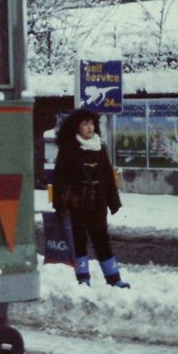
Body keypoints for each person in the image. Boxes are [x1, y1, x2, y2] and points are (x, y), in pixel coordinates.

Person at [51, 109, 130, 288]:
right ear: (76, 127)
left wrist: (113, 202)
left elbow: (107, 176)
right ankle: (83, 279)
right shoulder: (69, 149)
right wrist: (60, 205)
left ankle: (114, 279)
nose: (89, 127)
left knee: (101, 239)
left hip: (98, 203)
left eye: (91, 123)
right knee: (78, 242)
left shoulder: (99, 147)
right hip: (76, 204)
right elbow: (59, 178)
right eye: (85, 124)